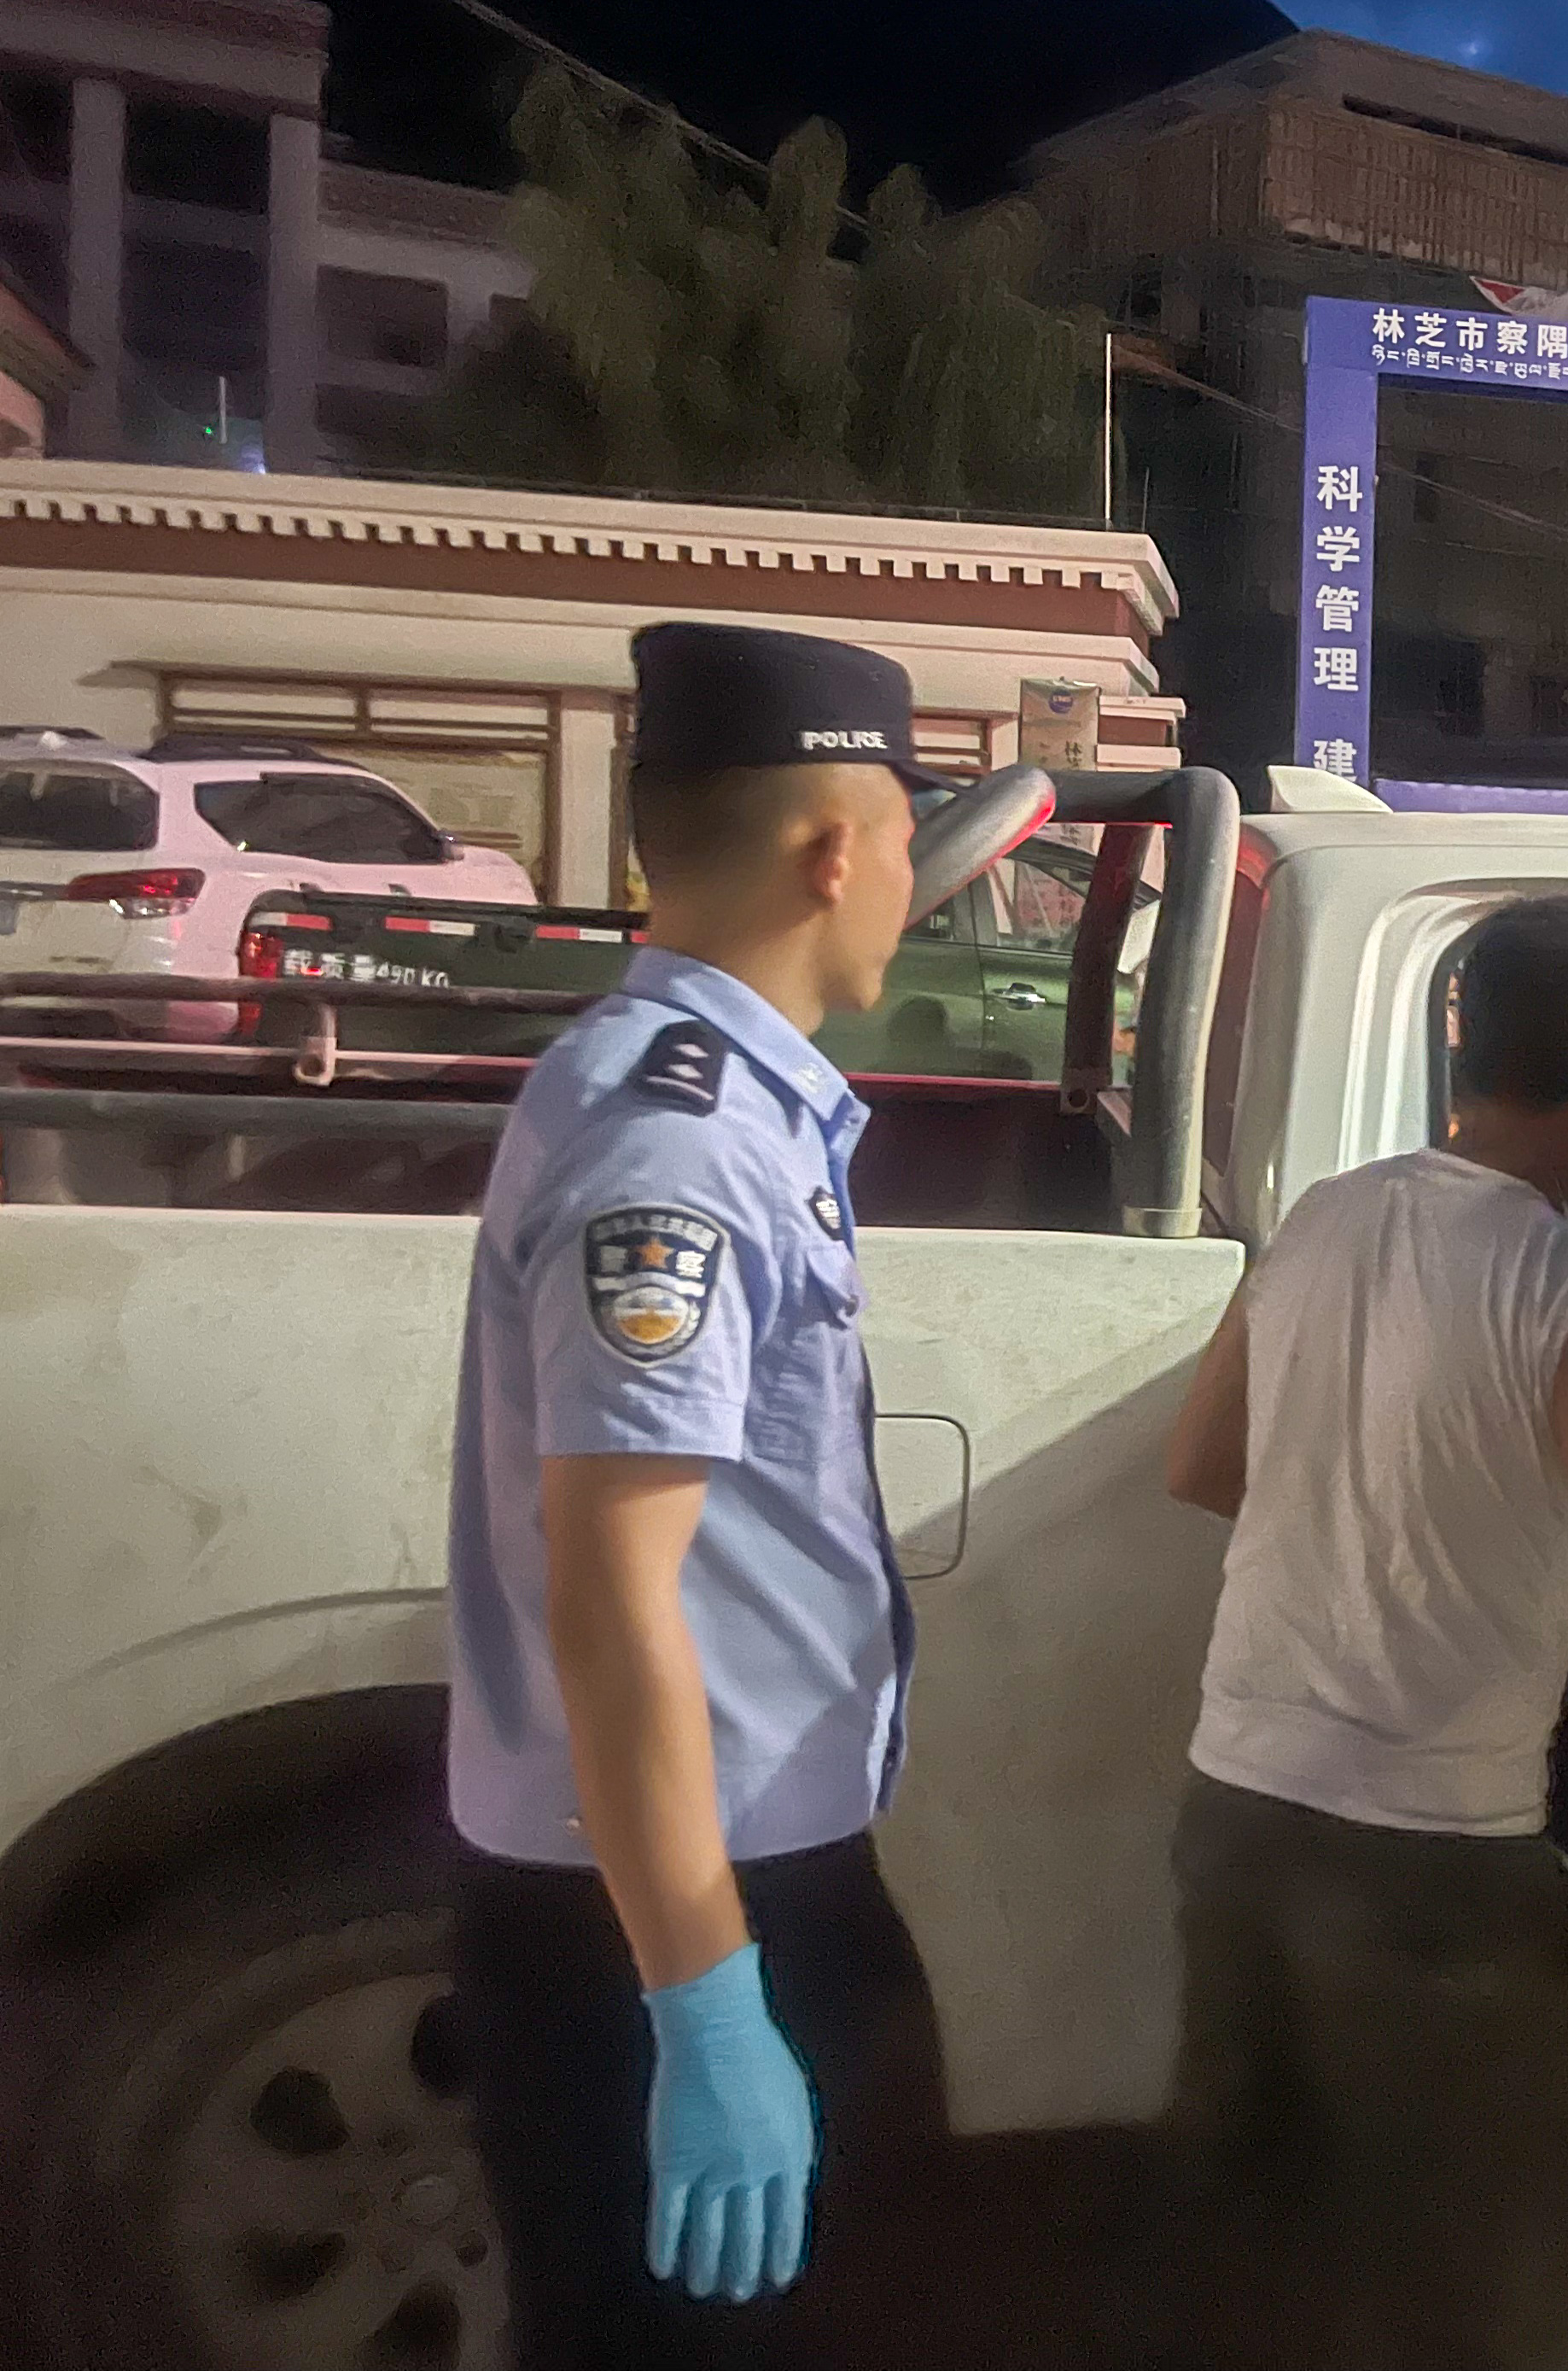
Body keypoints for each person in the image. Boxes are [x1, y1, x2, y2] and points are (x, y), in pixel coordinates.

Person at [1160, 895, 1568, 2368]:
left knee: (1252, 2244)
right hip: (1434, 1867)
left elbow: (1201, 1463)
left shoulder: (1327, 1216)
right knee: (1450, 2287)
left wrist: (1381, 1504)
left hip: (1240, 1805)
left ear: (1464, 1037)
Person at [445, 622, 952, 2369]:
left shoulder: (699, 1092)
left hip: (697, 1882)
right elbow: (611, 1592)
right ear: (832, 853)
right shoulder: (683, 1141)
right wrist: (709, 2008)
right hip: (676, 1916)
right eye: (907, 839)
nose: (914, 884)